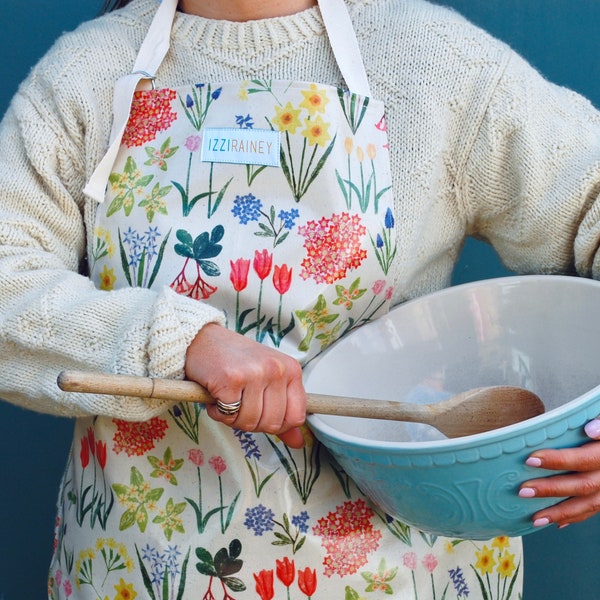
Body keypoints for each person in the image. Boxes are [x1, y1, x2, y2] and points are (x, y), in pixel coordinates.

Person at [2, 0, 600, 598]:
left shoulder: (436, 62)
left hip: (403, 577)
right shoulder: (87, 73)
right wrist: (181, 342)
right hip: (141, 570)